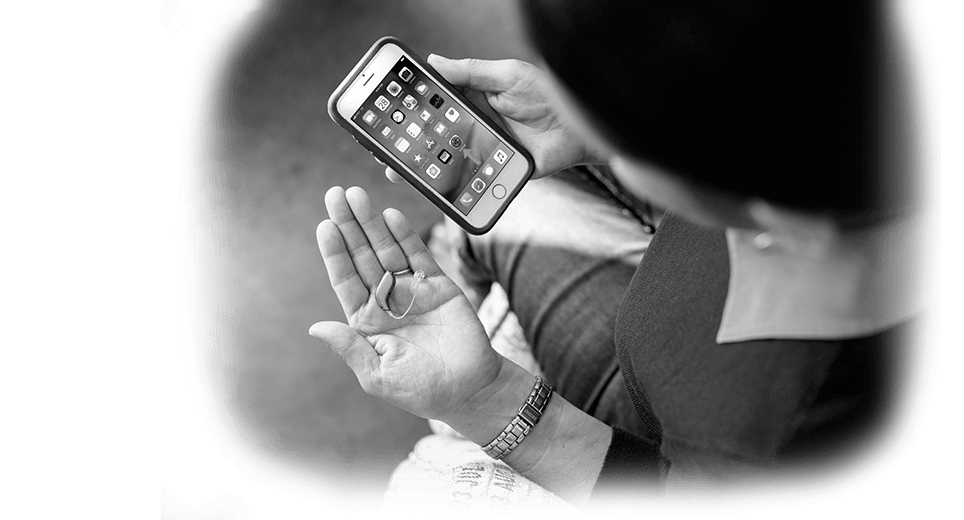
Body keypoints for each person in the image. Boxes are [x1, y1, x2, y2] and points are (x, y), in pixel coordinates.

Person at [308, 0, 939, 510]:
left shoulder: (755, 437)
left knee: (495, 220)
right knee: (505, 205)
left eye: (623, 137)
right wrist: (603, 133)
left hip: (644, 416)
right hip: (669, 318)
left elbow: (660, 491)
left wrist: (487, 398)